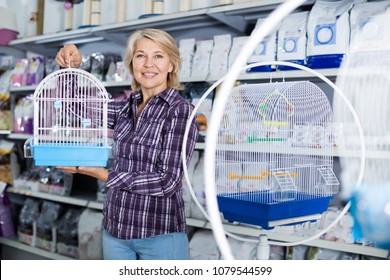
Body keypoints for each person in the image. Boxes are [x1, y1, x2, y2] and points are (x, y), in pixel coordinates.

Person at [55, 28, 199, 260]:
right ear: (132, 64)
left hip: (159, 235)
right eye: (141, 55)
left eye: (158, 56)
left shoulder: (181, 112)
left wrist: (104, 175)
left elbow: (168, 181)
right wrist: (70, 67)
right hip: (116, 232)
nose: (148, 63)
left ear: (171, 65)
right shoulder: (125, 107)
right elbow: (76, 105)